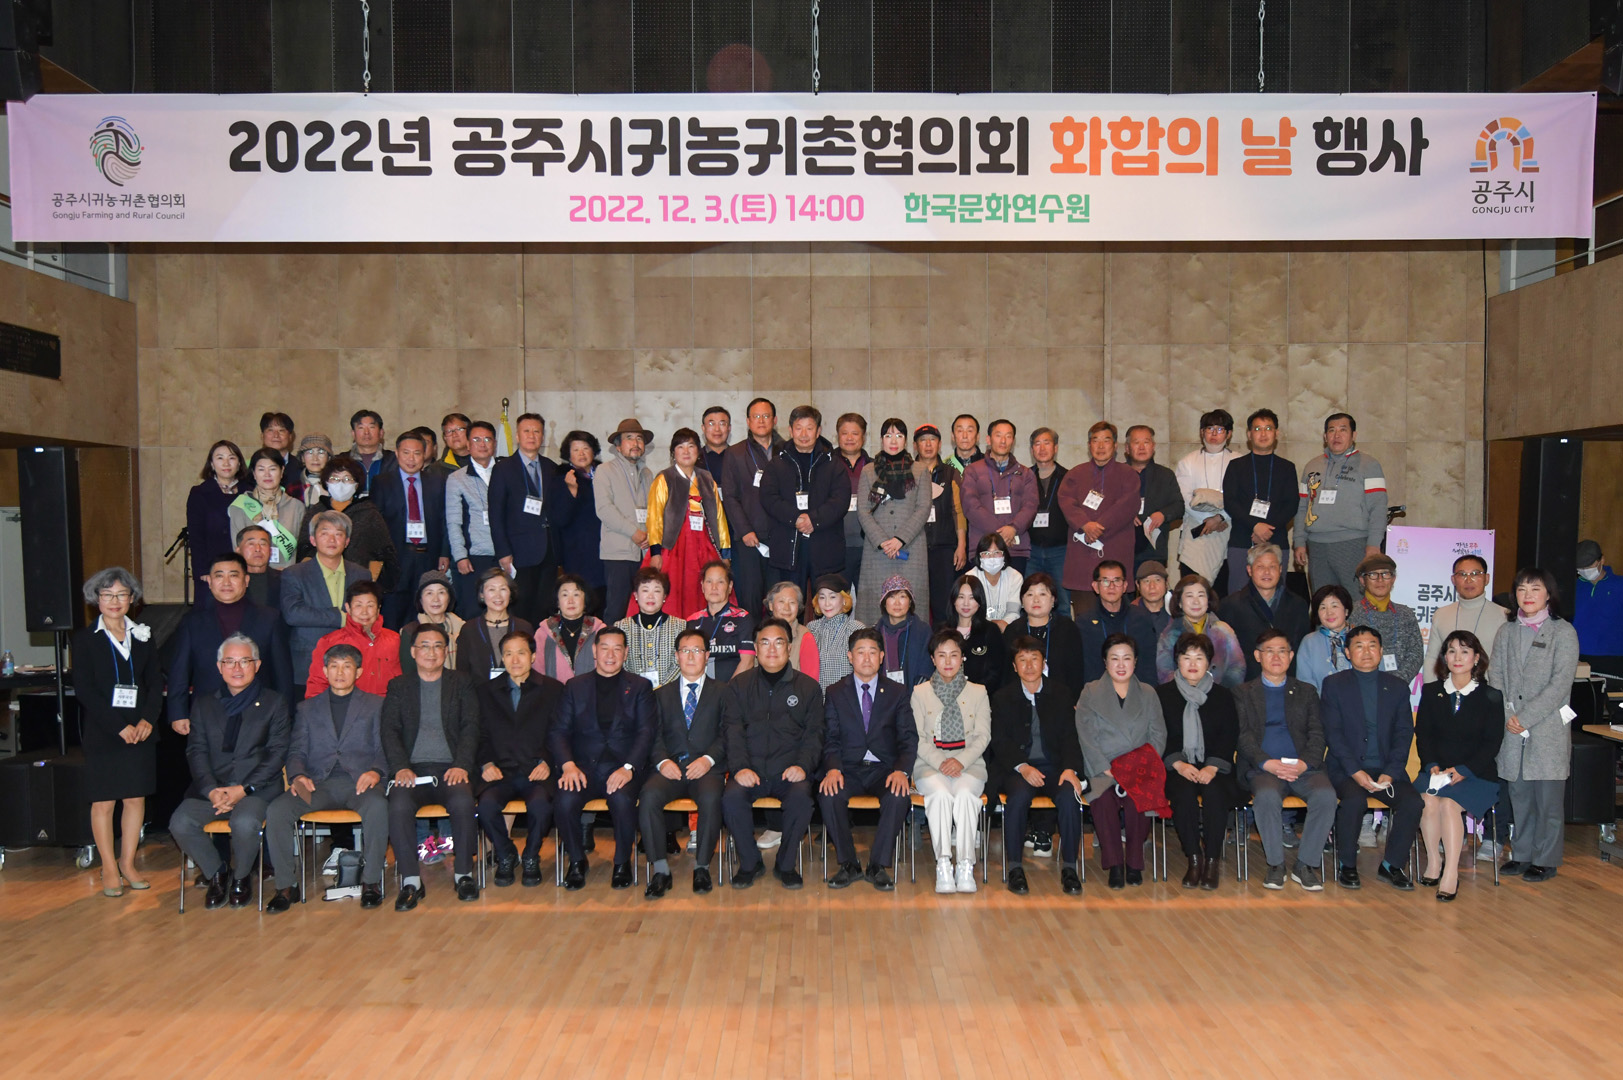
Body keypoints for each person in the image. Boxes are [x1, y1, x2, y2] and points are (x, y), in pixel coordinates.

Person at [263, 644, 388, 913]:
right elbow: (296, 751)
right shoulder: (307, 708)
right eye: (334, 666)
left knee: (378, 806)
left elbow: (384, 748)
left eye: (347, 666)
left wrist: (376, 771)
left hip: (360, 782)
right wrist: (297, 775)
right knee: (277, 810)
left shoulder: (376, 705)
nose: (340, 672)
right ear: (324, 671)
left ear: (359, 672)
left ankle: (371, 882)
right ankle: (286, 886)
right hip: (317, 783)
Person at [168, 634, 290, 910]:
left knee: (244, 823)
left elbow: (277, 754)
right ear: (219, 667)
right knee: (180, 823)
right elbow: (196, 751)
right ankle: (218, 873)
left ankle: (242, 877)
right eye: (229, 662)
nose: (237, 668)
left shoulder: (274, 703)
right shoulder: (204, 704)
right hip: (213, 789)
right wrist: (211, 789)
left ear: (257, 665)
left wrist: (244, 789)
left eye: (244, 661)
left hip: (257, 790)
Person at [74, 568, 162, 897]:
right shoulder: (85, 639)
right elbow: (85, 690)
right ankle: (109, 867)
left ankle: (128, 862)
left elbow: (155, 681)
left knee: (135, 798)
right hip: (104, 732)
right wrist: (118, 726)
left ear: (132, 599)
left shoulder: (143, 635)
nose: (115, 601)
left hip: (140, 731)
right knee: (104, 802)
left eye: (122, 594)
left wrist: (147, 720)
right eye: (107, 595)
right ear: (96, 599)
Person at [720, 618, 825, 889]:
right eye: (764, 643)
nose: (772, 649)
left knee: (802, 799)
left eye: (779, 642)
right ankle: (750, 863)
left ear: (789, 648)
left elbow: (814, 735)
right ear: (755, 648)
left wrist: (802, 766)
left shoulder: (808, 688)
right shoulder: (739, 685)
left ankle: (786, 864)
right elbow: (732, 731)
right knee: (731, 798)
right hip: (750, 770)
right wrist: (740, 767)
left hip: (789, 771)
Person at [382, 624, 482, 909]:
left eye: (438, 646)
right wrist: (400, 767)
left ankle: (463, 874)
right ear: (413, 652)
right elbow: (389, 730)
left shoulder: (461, 682)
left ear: (446, 652)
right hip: (411, 770)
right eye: (424, 646)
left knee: (463, 802)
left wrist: (462, 764)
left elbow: (471, 726)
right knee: (399, 805)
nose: (431, 652)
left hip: (451, 768)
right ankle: (411, 881)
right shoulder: (399, 686)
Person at [1491, 567, 1581, 882]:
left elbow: (1560, 684)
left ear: (1548, 594)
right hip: (1512, 727)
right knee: (1520, 797)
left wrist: (1526, 717)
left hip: (1547, 728)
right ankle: (1522, 854)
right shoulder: (1506, 631)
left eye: (1535, 589)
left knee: (1548, 802)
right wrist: (1508, 715)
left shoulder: (1563, 632)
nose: (1527, 595)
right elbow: (1496, 677)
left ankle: (1546, 859)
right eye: (1522, 589)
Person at [552, 626, 658, 890]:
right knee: (564, 800)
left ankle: (622, 862)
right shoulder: (575, 686)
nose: (610, 655)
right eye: (605, 648)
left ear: (626, 653)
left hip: (622, 766)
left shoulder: (640, 687)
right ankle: (577, 861)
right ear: (594, 651)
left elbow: (646, 733)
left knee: (622, 800)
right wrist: (568, 765)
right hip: (582, 767)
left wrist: (628, 768)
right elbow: (559, 731)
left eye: (617, 649)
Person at [1233, 627, 1337, 891]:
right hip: (1263, 768)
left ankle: (1305, 864)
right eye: (1269, 651)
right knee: (1267, 797)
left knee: (1326, 796)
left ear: (1291, 656)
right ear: (1258, 656)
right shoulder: (1242, 693)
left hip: (1304, 768)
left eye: (1282, 651)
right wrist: (1267, 763)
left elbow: (1317, 733)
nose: (1276, 657)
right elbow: (1243, 736)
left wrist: (1304, 763)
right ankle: (1276, 864)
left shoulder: (1307, 691)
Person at [1321, 625, 1422, 890]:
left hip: (1386, 769)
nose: (1366, 652)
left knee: (1412, 802)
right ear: (1347, 652)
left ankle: (1391, 865)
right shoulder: (1334, 685)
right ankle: (1347, 864)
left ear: (1381, 650)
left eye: (1372, 645)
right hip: (1347, 769)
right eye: (1359, 646)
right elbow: (1333, 734)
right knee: (1354, 800)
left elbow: (1403, 733)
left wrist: (1391, 772)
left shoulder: (1397, 687)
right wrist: (1355, 772)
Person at [986, 635, 1086, 896]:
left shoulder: (1061, 693)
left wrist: (1070, 769)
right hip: (1018, 769)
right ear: (1014, 666)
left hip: (1055, 767)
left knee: (1069, 796)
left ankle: (1070, 868)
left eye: (1034, 659)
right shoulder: (1002, 697)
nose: (1029, 666)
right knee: (1018, 798)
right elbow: (999, 740)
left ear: (1044, 663)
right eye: (1022, 660)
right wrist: (1022, 766)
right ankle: (1015, 868)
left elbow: (1071, 737)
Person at [818, 627, 916, 891]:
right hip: (848, 768)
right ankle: (849, 864)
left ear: (882, 657)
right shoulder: (835, 692)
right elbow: (830, 738)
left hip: (884, 769)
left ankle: (877, 865)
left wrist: (901, 771)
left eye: (873, 652)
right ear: (850, 657)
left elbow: (908, 738)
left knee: (898, 795)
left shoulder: (897, 692)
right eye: (860, 652)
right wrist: (833, 769)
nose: (867, 658)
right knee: (829, 794)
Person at [1415, 631, 1505, 901]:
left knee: (1448, 804)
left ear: (1476, 658)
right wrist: (1431, 764)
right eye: (1452, 651)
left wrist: (1463, 770)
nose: (1457, 657)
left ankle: (1451, 873)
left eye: (1465, 651)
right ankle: (1434, 861)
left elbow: (1492, 743)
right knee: (1427, 801)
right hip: (1437, 772)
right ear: (1444, 657)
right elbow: (1424, 735)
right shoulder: (1431, 692)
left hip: (1477, 774)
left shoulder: (1491, 696)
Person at [641, 628, 729, 898]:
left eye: (697, 650)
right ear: (677, 656)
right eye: (685, 651)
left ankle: (702, 867)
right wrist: (662, 761)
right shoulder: (660, 694)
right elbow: (653, 735)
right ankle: (660, 870)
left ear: (707, 655)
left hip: (707, 769)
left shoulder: (724, 692)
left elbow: (728, 733)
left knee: (712, 798)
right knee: (648, 797)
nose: (691, 656)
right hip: (671, 769)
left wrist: (708, 759)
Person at [1075, 634, 1167, 890]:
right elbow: (1086, 736)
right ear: (1105, 662)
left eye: (1127, 658)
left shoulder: (1148, 693)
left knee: (1139, 798)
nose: (1121, 664)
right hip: (1103, 768)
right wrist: (1108, 769)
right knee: (1103, 801)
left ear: (1135, 662)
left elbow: (1158, 735)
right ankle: (1114, 864)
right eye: (1114, 658)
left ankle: (1135, 863)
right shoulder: (1090, 691)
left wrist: (1135, 767)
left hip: (1139, 768)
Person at [476, 631, 564, 889]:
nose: (515, 660)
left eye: (521, 653)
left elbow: (559, 732)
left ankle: (531, 856)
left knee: (540, 806)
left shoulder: (553, 689)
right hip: (500, 771)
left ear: (533, 656)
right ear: (502, 658)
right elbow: (478, 734)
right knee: (486, 807)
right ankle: (506, 854)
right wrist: (486, 763)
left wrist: (547, 761)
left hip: (536, 769)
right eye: (508, 654)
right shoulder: (485, 691)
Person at [169, 553, 294, 731]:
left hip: (259, 714)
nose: (226, 582)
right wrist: (178, 713)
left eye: (233, 575)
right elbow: (179, 671)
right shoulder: (192, 622)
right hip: (208, 713)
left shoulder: (269, 618)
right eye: (219, 576)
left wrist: (285, 713)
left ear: (246, 580)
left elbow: (282, 672)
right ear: (210, 582)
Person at [1157, 633, 1240, 890]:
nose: (1192, 664)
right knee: (1183, 795)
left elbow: (1230, 735)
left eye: (1199, 658)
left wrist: (1212, 766)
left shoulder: (1223, 696)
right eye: (1186, 657)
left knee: (1215, 794)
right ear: (1177, 661)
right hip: (1177, 766)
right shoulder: (1162, 695)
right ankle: (1194, 858)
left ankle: (1212, 860)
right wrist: (1179, 764)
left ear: (1209, 662)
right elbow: (1157, 735)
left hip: (1216, 766)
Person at [912, 629, 992, 894]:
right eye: (941, 655)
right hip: (930, 766)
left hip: (969, 765)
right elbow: (917, 738)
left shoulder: (978, 692)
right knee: (941, 796)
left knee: (967, 796)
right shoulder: (920, 692)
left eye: (954, 655)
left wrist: (960, 761)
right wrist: (941, 762)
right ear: (933, 659)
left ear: (962, 658)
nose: (948, 661)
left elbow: (983, 736)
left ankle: (965, 864)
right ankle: (944, 863)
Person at [489, 412, 576, 622]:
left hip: (549, 550)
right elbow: (496, 514)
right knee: (521, 606)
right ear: (517, 436)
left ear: (542, 437)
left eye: (536, 431)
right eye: (526, 431)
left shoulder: (550, 467)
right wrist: (503, 552)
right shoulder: (503, 469)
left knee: (545, 606)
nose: (531, 435)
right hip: (519, 551)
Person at [1293, 412, 1388, 594]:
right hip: (1317, 545)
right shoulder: (1312, 466)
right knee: (1323, 600)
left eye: (1343, 430)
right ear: (1325, 436)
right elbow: (1302, 506)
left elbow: (1378, 507)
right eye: (1331, 430)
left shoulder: (1369, 465)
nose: (1336, 435)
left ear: (1354, 435)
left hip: (1353, 544)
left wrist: (1374, 544)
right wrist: (1299, 541)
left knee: (1356, 600)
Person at [760, 404, 847, 596]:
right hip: (788, 545)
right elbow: (769, 498)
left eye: (809, 428)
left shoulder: (833, 463)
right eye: (799, 428)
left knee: (827, 602)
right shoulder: (777, 463)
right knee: (789, 602)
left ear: (818, 431)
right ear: (790, 431)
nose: (804, 434)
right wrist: (796, 518)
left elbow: (840, 500)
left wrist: (814, 519)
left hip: (825, 545)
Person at [644, 427, 731, 618]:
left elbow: (719, 517)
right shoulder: (664, 478)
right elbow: (655, 517)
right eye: (680, 447)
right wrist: (656, 552)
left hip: (704, 543)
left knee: (704, 587)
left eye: (691, 446)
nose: (686, 451)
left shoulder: (706, 478)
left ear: (698, 451)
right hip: (673, 545)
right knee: (674, 590)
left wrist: (725, 552)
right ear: (673, 452)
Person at [281, 510, 370, 697]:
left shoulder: (362, 574)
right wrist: (340, 618)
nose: (332, 539)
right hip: (307, 662)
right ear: (313, 540)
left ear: (347, 541)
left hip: (352, 661)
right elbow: (293, 613)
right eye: (325, 533)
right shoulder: (294, 574)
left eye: (338, 534)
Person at [854, 418, 931, 625]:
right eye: (888, 436)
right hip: (877, 549)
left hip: (911, 547)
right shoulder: (868, 471)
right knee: (874, 608)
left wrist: (900, 539)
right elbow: (863, 510)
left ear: (906, 441)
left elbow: (923, 508)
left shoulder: (920, 470)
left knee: (912, 603)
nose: (893, 441)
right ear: (881, 440)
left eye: (899, 435)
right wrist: (883, 541)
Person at [371, 431, 451, 629]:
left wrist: (444, 553)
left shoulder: (437, 482)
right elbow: (375, 523)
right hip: (396, 557)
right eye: (406, 453)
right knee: (394, 612)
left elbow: (444, 520)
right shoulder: (382, 482)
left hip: (428, 555)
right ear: (397, 453)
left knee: (425, 610)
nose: (411, 459)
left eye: (417, 453)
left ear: (425, 455)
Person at [1058, 421, 1139, 608]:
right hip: (1082, 554)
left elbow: (1127, 505)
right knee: (1084, 614)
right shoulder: (1075, 474)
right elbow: (1066, 501)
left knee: (1117, 614)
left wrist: (1099, 527)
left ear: (1115, 445)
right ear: (1089, 445)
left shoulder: (1128, 474)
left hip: (1115, 549)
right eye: (1095, 440)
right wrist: (1085, 524)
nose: (1101, 446)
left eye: (1106, 440)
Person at [719, 397, 785, 616]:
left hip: (781, 536)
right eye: (756, 416)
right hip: (749, 539)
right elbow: (730, 497)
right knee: (750, 598)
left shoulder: (786, 450)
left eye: (766, 416)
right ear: (748, 421)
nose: (761, 421)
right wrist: (745, 530)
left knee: (779, 598)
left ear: (775, 420)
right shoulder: (735, 453)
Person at [1222, 409, 1298, 591]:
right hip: (1242, 540)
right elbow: (1230, 502)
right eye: (1257, 429)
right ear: (1249, 434)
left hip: (1276, 540)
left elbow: (1291, 504)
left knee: (1275, 596)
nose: (1263, 434)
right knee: (1239, 596)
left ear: (1276, 433)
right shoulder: (1236, 466)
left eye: (1268, 428)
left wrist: (1267, 530)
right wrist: (1255, 526)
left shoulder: (1287, 468)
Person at [295, 456, 399, 590]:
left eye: (347, 479)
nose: (340, 484)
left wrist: (371, 578)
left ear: (356, 484)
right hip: (320, 584)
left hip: (358, 585)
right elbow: (304, 549)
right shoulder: (315, 512)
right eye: (335, 478)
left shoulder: (369, 513)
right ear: (326, 482)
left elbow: (384, 552)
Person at [1219, 542, 1311, 681]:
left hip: (1288, 682)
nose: (1267, 572)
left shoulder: (1298, 605)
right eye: (1260, 567)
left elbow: (1302, 651)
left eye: (1272, 566)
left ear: (1280, 569)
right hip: (1245, 684)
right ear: (1249, 570)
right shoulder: (1230, 605)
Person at [961, 419, 1039, 575]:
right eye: (998, 435)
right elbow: (971, 505)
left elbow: (1031, 506)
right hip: (983, 547)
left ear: (1013, 441)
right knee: (982, 591)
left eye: (1008, 436)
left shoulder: (1025, 473)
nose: (1003, 441)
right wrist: (1000, 533)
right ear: (988, 439)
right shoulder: (972, 471)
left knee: (1014, 590)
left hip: (1015, 547)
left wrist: (1013, 528)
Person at [596, 418, 655, 621]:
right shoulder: (605, 471)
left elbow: (653, 510)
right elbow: (604, 509)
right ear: (618, 446)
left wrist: (651, 535)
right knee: (617, 610)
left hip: (644, 553)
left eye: (639, 438)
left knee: (643, 610)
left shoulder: (647, 474)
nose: (635, 443)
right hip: (618, 554)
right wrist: (634, 532)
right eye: (629, 438)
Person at [1174, 409, 1237, 590]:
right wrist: (1208, 520)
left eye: (1220, 429)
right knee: (1194, 589)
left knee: (1223, 591)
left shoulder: (1238, 461)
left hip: (1228, 529)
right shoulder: (1188, 462)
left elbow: (1241, 498)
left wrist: (1220, 518)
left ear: (1229, 434)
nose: (1214, 434)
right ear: (1202, 432)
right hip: (1197, 530)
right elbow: (1184, 498)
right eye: (1210, 429)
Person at [305, 580, 402, 697]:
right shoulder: (330, 642)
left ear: (378, 609)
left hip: (387, 705)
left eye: (370, 605)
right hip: (347, 706)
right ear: (348, 608)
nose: (364, 612)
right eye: (358, 605)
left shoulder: (395, 640)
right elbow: (317, 684)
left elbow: (403, 681)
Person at [914, 424, 968, 625]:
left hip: (944, 549)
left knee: (943, 606)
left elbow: (958, 511)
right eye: (923, 440)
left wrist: (961, 545)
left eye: (932, 440)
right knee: (915, 604)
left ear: (940, 444)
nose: (928, 445)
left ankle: (944, 642)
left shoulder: (950, 473)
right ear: (915, 446)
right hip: (915, 548)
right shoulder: (908, 473)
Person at [1423, 555, 1511, 679]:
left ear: (1486, 578)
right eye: (1462, 574)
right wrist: (1430, 688)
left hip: (1488, 688)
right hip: (1448, 688)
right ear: (1453, 580)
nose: (1468, 580)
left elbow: (1508, 663)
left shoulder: (1504, 616)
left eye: (1475, 573)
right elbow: (1432, 658)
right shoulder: (1441, 614)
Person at [446, 420, 500, 620]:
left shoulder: (505, 473)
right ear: (468, 445)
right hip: (473, 557)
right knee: (473, 613)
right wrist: (460, 556)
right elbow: (453, 521)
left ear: (494, 444)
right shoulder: (457, 479)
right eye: (476, 440)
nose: (482, 444)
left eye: (487, 439)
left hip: (504, 555)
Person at [1347, 552, 1425, 685]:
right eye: (1373, 574)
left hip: (1398, 687)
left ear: (1393, 579)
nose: (1380, 580)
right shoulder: (1350, 613)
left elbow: (1416, 654)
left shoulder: (1406, 614)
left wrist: (1395, 682)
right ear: (1362, 580)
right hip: (1359, 686)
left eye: (1385, 574)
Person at [1077, 560, 1159, 685]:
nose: (1111, 586)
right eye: (1105, 581)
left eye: (1117, 581)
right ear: (1095, 587)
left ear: (1125, 586)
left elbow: (1148, 664)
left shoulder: (1141, 618)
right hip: (1098, 692)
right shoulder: (1084, 623)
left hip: (1136, 690)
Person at [1155, 575, 1244, 688]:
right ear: (1180, 602)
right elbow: (1164, 673)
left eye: (1201, 595)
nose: (1196, 601)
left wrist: (1219, 692)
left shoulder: (1223, 630)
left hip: (1220, 694)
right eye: (1189, 596)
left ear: (1208, 600)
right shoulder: (1169, 635)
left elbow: (1237, 667)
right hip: (1183, 695)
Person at [1002, 574, 1086, 694]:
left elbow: (1076, 672)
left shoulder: (1067, 628)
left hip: (1060, 698)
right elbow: (1006, 674)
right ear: (1022, 601)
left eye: (1042, 594)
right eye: (1030, 594)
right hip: (1019, 698)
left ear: (1053, 600)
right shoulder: (1013, 630)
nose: (1036, 600)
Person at [457, 566, 536, 684]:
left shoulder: (524, 627)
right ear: (482, 594)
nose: (498, 596)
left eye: (503, 589)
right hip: (478, 693)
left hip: (517, 692)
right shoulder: (469, 629)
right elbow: (462, 673)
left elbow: (533, 669)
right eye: (492, 590)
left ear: (510, 593)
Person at [557, 430, 606, 615]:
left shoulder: (604, 473)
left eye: (586, 448)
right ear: (568, 454)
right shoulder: (561, 476)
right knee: (583, 599)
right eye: (576, 449)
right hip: (578, 550)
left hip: (605, 547)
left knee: (605, 600)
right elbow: (560, 518)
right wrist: (572, 491)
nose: (582, 453)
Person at [227, 448, 303, 569]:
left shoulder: (297, 506)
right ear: (254, 473)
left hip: (287, 575)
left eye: (272, 469)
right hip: (252, 575)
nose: (267, 474)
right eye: (261, 469)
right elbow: (238, 549)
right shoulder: (241, 506)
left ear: (282, 471)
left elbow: (301, 549)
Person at [1024, 427, 1071, 617]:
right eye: (1037, 444)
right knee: (1029, 600)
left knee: (1062, 602)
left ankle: (1062, 635)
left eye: (1047, 443)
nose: (1042, 448)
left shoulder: (1069, 477)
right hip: (1031, 550)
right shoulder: (1024, 477)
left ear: (1056, 447)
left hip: (1060, 550)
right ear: (1031, 450)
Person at [187, 439, 244, 594]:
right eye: (220, 458)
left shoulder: (249, 492)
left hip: (243, 565)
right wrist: (202, 570)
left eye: (232, 458)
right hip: (212, 566)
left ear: (239, 463)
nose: (226, 463)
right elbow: (196, 537)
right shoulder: (199, 493)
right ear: (212, 464)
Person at [1125, 426, 1184, 575]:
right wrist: (1124, 515)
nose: (1141, 447)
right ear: (1127, 448)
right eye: (1136, 442)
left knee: (1153, 587)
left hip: (1154, 549)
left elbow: (1179, 506)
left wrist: (1163, 514)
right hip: (1122, 547)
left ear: (1153, 446)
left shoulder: (1165, 475)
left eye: (1146, 442)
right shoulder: (1117, 474)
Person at [685, 561, 756, 682]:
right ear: (702, 586)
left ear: (730, 586)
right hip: (700, 688)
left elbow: (748, 662)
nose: (714, 587)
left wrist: (729, 690)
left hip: (735, 688)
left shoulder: (743, 618)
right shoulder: (692, 621)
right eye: (709, 581)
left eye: (720, 582)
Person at [617, 566, 687, 688]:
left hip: (669, 692)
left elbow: (681, 663)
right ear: (636, 595)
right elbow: (620, 663)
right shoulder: (622, 627)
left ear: (664, 596)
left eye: (657, 591)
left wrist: (662, 687)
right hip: (633, 692)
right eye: (645, 590)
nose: (651, 596)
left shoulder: (680, 626)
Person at [534, 573, 609, 681]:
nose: (570, 601)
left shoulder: (600, 631)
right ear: (557, 602)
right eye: (565, 595)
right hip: (554, 691)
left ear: (585, 600)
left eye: (576, 595)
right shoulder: (543, 633)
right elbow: (537, 673)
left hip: (591, 690)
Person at [945, 574, 1008, 695]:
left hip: (982, 698)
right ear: (953, 600)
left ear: (980, 601)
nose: (966, 603)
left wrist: (975, 694)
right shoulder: (943, 631)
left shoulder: (991, 631)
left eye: (972, 598)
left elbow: (996, 672)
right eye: (961, 597)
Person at [1572, 539, 1623, 674]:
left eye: (1589, 566)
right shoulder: (1572, 587)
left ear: (1602, 560)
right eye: (1581, 568)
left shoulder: (1620, 586)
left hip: (1613, 657)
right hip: (1577, 655)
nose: (1585, 570)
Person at [398, 570, 464, 672]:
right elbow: (409, 673)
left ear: (449, 598)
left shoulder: (464, 628)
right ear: (420, 600)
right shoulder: (411, 631)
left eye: (441, 592)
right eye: (429, 593)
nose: (436, 599)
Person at [806, 574, 864, 691]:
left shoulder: (856, 629)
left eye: (832, 597)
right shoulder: (811, 628)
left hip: (845, 697)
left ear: (844, 600)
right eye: (822, 597)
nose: (827, 603)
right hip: (816, 698)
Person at [834, 412, 872, 589]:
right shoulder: (826, 465)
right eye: (844, 433)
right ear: (837, 436)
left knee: (869, 598)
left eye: (855, 433)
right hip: (837, 546)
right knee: (838, 598)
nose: (849, 438)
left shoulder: (875, 466)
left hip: (868, 545)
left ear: (863, 437)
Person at [874, 576, 933, 688]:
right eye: (891, 597)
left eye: (902, 596)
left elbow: (926, 668)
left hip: (915, 693)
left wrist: (917, 693)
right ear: (884, 602)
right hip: (880, 694)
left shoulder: (923, 631)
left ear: (910, 602)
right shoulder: (875, 633)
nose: (897, 603)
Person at [1296, 584, 1354, 692]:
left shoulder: (1361, 637)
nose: (1329, 612)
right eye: (1323, 607)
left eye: (1334, 606)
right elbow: (1305, 684)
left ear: (1346, 610)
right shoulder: (1309, 642)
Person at [968, 532, 1024, 626]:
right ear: (979, 556)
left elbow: (1013, 612)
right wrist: (992, 627)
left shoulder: (1015, 577)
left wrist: (1002, 625)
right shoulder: (970, 578)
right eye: (986, 553)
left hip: (1007, 627)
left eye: (997, 553)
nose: (992, 558)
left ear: (1004, 555)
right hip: (979, 628)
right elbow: (972, 613)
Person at [764, 581, 819, 675]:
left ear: (798, 607)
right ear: (771, 605)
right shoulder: (760, 632)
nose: (787, 608)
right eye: (781, 601)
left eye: (792, 602)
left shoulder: (805, 636)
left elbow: (810, 679)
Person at [346, 409, 394, 495]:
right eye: (361, 428)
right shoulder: (342, 460)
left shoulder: (394, 460)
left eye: (371, 427)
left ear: (381, 433)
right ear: (353, 434)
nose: (366, 432)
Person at [234, 527, 282, 611]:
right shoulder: (230, 581)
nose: (258, 549)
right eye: (251, 544)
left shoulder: (285, 579)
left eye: (263, 544)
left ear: (270, 551)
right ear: (238, 551)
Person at [1132, 561, 1172, 637]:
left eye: (1157, 580)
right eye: (1146, 581)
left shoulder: (1177, 613)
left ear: (1166, 583)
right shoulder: (1130, 616)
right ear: (1138, 585)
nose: (1152, 586)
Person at [294, 433, 332, 508]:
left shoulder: (335, 486)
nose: (315, 458)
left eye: (321, 452)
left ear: (329, 458)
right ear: (302, 458)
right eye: (310, 452)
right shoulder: (293, 488)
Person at [259, 411, 297, 481]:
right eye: (270, 430)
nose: (276, 435)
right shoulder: (251, 466)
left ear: (290, 436)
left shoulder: (301, 467)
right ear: (262, 436)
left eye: (281, 430)